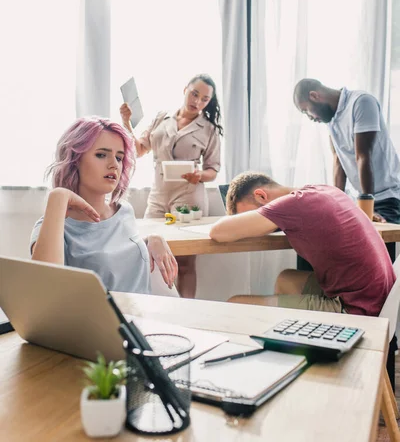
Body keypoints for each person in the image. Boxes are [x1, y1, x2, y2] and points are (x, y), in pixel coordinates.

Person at [209, 172, 395, 317]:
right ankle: (290, 343)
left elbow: (217, 232)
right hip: (378, 298)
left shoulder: (292, 205)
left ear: (261, 196)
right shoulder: (320, 190)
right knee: (286, 279)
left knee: (236, 305)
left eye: (248, 214)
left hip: (357, 308)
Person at [31, 117, 178, 295]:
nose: (114, 165)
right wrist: (58, 197)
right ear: (74, 159)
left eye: (119, 158)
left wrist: (152, 239)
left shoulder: (124, 211)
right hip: (98, 322)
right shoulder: (52, 228)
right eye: (101, 155)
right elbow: (44, 289)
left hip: (143, 317)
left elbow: (121, 255)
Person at [120, 74, 223, 298]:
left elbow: (213, 170)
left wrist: (199, 175)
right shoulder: (161, 118)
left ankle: (185, 313)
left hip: (189, 197)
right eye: (194, 93)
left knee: (185, 263)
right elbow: (138, 149)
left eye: (204, 99)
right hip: (158, 196)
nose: (197, 101)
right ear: (185, 89)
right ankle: (156, 309)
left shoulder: (209, 129)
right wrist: (126, 122)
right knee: (148, 255)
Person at [293, 78, 400, 264]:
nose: (310, 118)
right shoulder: (332, 120)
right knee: (317, 236)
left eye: (306, 110)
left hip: (386, 198)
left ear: (314, 95)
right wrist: (338, 204)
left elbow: (363, 156)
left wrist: (367, 209)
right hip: (362, 201)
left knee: (376, 258)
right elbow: (338, 163)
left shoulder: (361, 102)